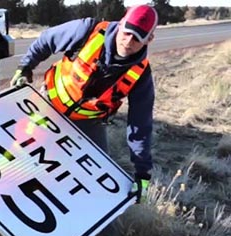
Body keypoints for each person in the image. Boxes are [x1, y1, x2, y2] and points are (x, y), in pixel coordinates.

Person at [11, 4, 158, 204]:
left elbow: (140, 125)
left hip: (88, 123)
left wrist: (142, 173)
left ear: (149, 39)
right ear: (121, 22)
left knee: (98, 177)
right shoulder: (87, 30)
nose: (129, 41)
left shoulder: (141, 74)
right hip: (48, 105)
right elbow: (47, 40)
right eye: (126, 33)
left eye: (138, 38)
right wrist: (25, 66)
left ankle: (98, 231)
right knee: (19, 151)